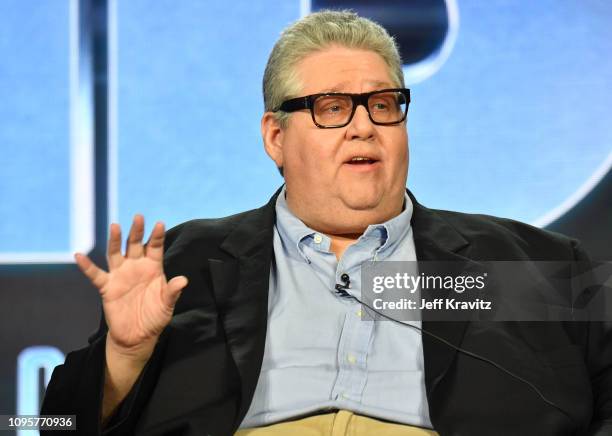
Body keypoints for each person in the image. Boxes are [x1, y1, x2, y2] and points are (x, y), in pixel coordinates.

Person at [41, 10, 612, 436]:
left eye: (383, 104)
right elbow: (54, 425)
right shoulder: (188, 263)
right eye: (332, 108)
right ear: (275, 137)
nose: (364, 127)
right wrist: (124, 358)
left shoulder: (521, 264)